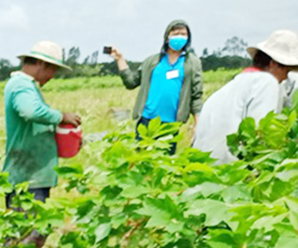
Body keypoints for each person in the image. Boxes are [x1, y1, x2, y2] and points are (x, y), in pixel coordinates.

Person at [0, 40, 82, 248]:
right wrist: (61, 116)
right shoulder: (21, 86)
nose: (53, 76)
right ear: (43, 66)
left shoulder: (26, 85)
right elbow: (29, 111)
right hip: (26, 176)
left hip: (32, 173)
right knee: (27, 231)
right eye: (53, 70)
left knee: (30, 230)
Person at [193, 29, 298, 164]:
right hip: (233, 172)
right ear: (273, 64)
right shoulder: (267, 83)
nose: (284, 78)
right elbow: (260, 135)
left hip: (205, 170)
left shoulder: (226, 89)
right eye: (286, 70)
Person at [109, 19, 204, 147]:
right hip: (147, 120)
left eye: (183, 34)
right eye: (175, 34)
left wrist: (197, 123)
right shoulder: (152, 62)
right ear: (167, 37)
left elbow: (196, 95)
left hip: (171, 124)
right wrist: (120, 59)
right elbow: (131, 82)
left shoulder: (192, 63)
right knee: (141, 160)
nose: (179, 37)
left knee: (164, 162)